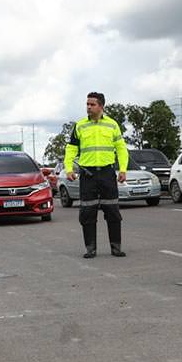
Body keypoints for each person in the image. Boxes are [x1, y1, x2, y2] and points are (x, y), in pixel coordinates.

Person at [64, 91, 129, 258]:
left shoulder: (112, 125)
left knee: (113, 211)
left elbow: (121, 149)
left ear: (101, 106)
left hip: (107, 173)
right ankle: (90, 249)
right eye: (87, 104)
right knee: (87, 212)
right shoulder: (80, 126)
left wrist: (123, 169)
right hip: (88, 174)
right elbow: (71, 149)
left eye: (92, 104)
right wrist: (69, 168)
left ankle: (116, 247)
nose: (88, 107)